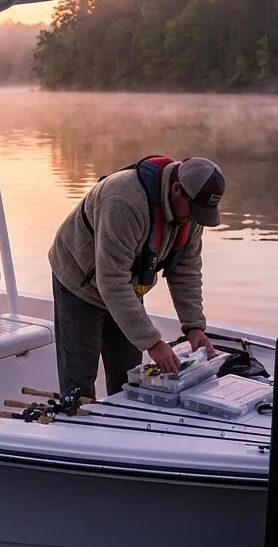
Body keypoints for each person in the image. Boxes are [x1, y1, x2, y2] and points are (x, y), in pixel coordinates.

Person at [47, 156, 225, 400]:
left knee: (129, 376)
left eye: (202, 213)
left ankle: (120, 430)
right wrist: (153, 342)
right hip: (80, 280)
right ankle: (73, 423)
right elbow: (110, 280)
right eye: (194, 211)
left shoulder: (191, 215)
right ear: (176, 189)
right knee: (79, 380)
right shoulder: (124, 200)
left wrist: (194, 326)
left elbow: (187, 271)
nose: (195, 219)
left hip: (126, 285)